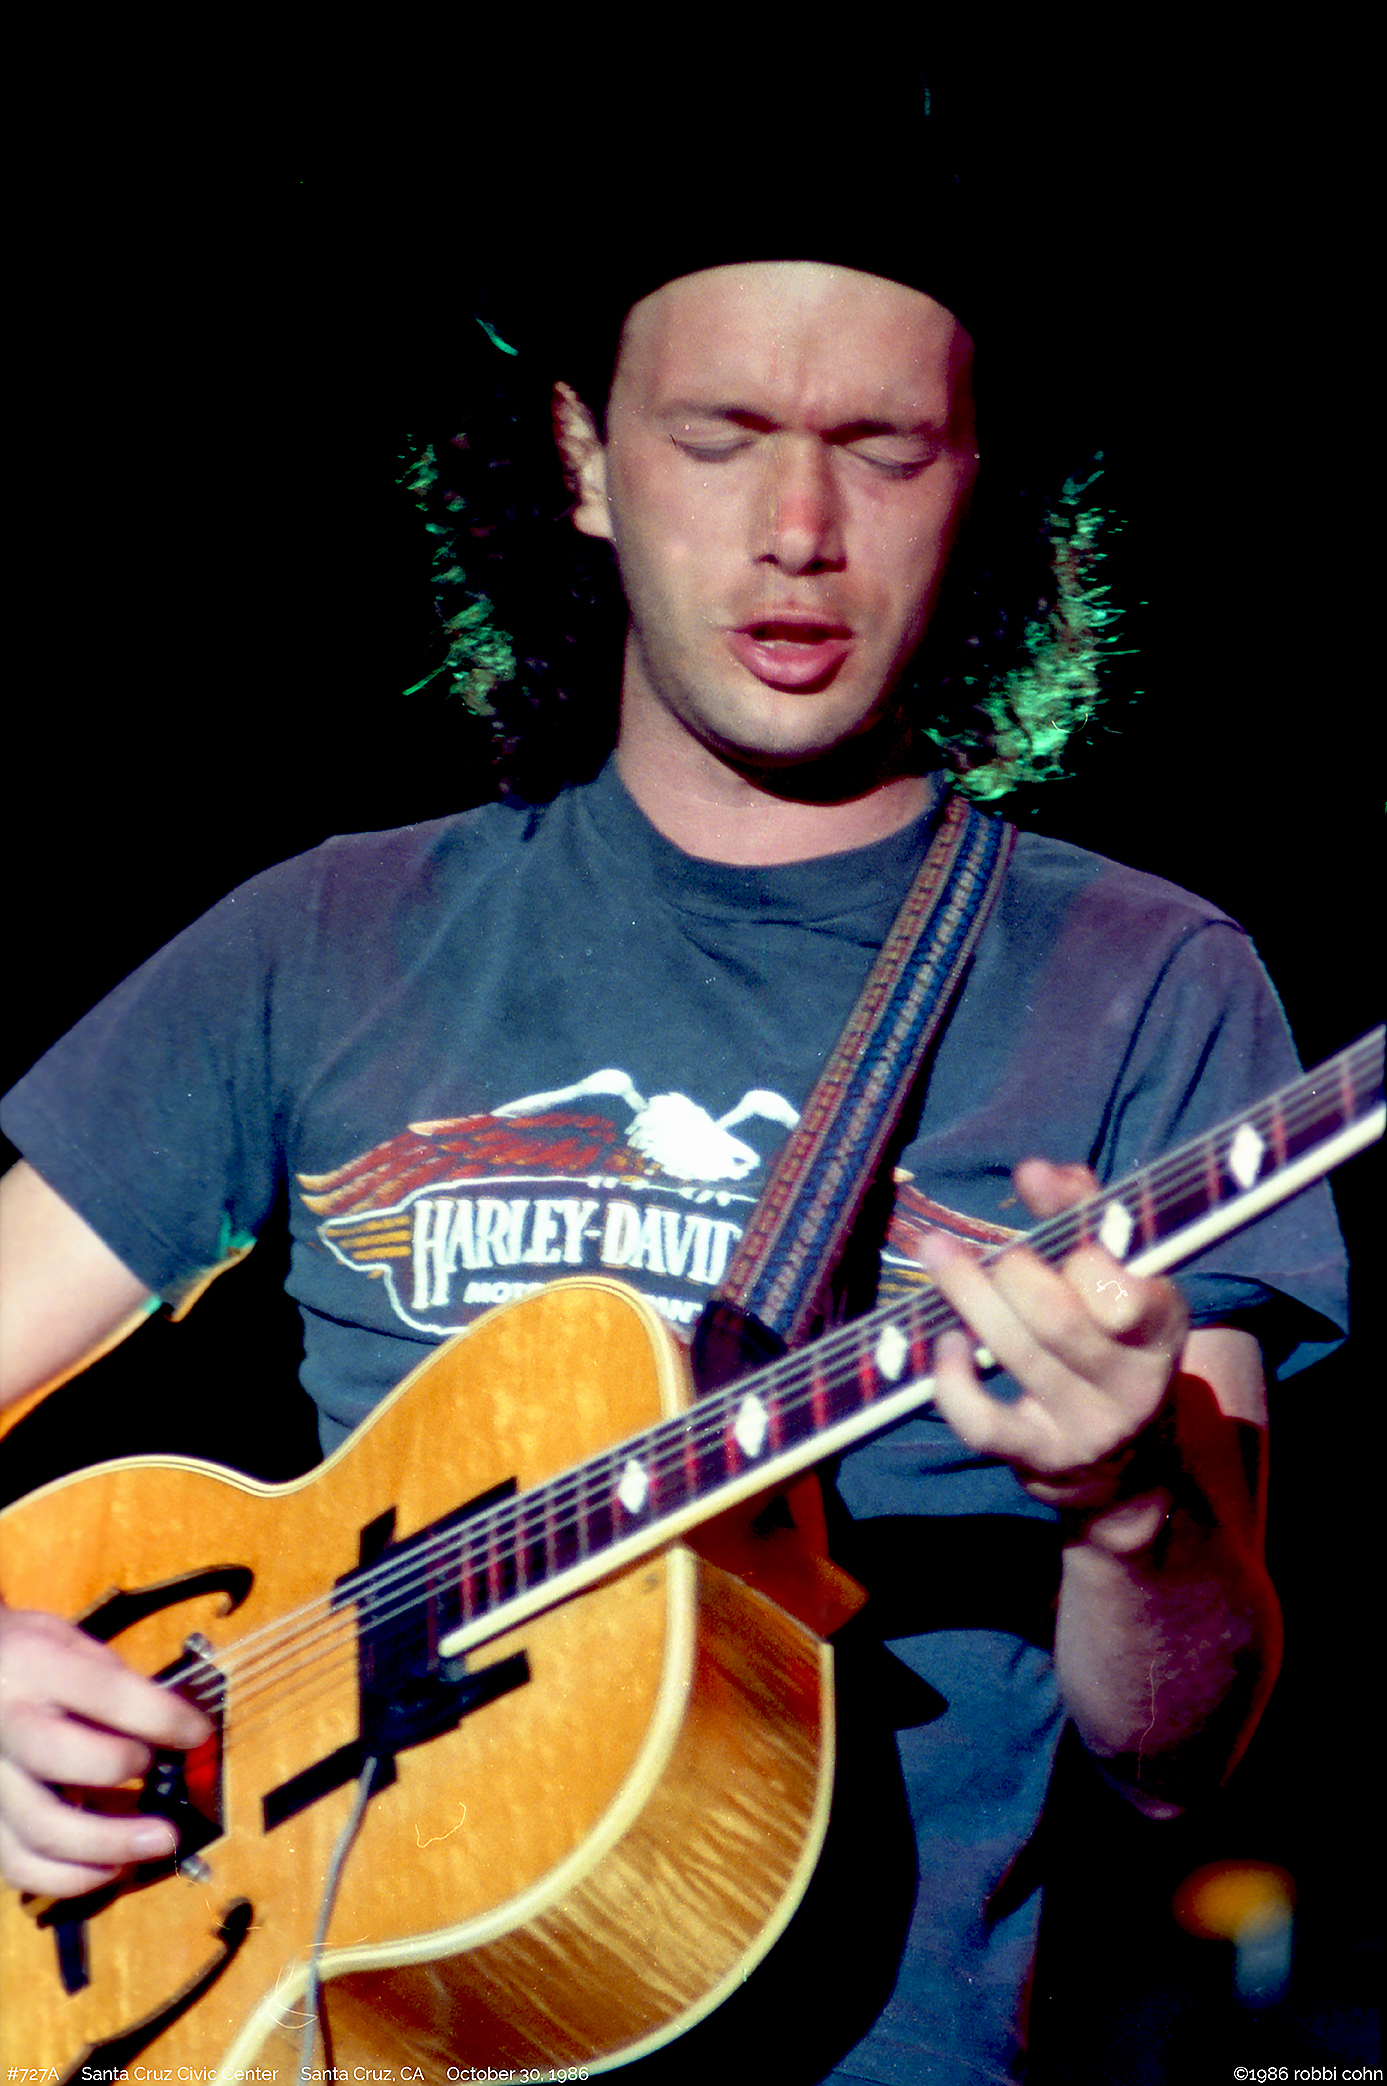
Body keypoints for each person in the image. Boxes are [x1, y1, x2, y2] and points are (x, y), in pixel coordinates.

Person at [0, 161, 1350, 2083]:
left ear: (975, 481)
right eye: (720, 438)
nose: (799, 531)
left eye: (883, 450)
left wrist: (1133, 1503)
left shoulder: (1148, 979)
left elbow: (1178, 1752)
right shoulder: (323, 936)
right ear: (585, 457)